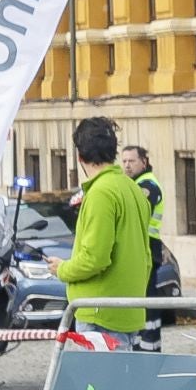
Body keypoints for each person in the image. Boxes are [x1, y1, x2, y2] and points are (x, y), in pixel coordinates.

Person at [51, 117, 152, 349]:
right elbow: (144, 256)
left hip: (100, 312)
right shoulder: (132, 189)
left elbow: (95, 258)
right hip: (127, 307)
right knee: (119, 384)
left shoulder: (101, 193)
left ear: (79, 156)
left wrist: (62, 269)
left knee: (101, 385)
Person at [120, 144, 166, 352]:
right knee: (142, 299)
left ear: (144, 162)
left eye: (132, 161)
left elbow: (133, 212)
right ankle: (145, 345)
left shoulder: (148, 185)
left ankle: (148, 348)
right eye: (124, 161)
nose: (127, 166)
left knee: (145, 300)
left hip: (146, 248)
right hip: (141, 248)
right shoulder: (134, 183)